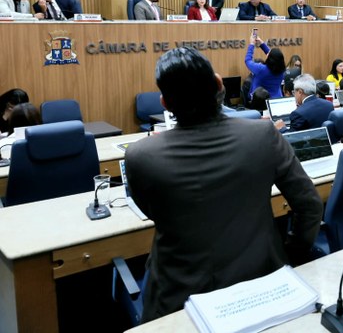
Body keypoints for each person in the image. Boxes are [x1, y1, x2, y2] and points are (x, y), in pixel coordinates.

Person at [125, 47, 322, 322]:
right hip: (262, 286)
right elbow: (310, 205)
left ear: (165, 103)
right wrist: (290, 254)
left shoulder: (140, 157)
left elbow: (154, 212)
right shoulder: (264, 134)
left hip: (179, 302)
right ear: (219, 85)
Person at [244, 32, 285, 107]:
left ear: (270, 58)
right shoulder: (282, 71)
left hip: (260, 102)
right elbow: (274, 57)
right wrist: (262, 44)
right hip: (276, 102)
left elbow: (248, 60)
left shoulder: (261, 69)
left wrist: (252, 44)